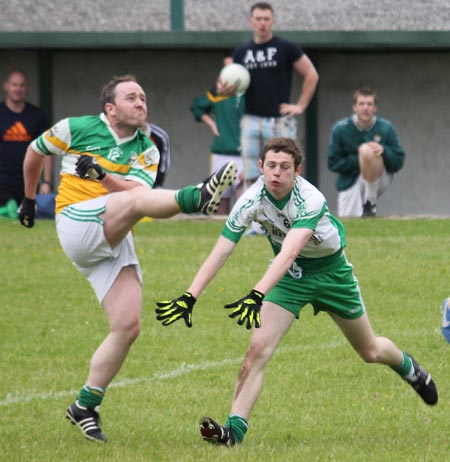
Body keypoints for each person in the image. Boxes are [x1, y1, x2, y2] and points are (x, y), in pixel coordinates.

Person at [155, 137, 438, 447]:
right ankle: (233, 433)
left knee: (369, 350)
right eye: (271, 166)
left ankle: (410, 369)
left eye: (285, 167)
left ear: (297, 171)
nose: (276, 173)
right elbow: (221, 250)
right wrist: (190, 295)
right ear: (260, 167)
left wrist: (256, 293)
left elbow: (288, 252)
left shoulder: (310, 199)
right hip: (290, 278)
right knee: (255, 351)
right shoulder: (250, 199)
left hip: (331, 274)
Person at [18, 74, 237, 443]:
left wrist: (103, 175)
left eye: (143, 97)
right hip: (76, 221)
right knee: (135, 203)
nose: (140, 103)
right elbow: (35, 151)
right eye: (131, 97)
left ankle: (85, 405)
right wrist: (27, 198)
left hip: (113, 237)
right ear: (110, 108)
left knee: (128, 325)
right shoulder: (76, 127)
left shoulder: (146, 147)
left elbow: (137, 193)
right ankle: (196, 198)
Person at [229, 2, 319, 190]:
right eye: (258, 19)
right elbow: (232, 84)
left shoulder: (286, 47)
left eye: (266, 19)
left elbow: (311, 74)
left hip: (279, 120)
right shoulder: (242, 52)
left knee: (286, 169)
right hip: (250, 119)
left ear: (273, 21)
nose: (262, 23)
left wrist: (300, 106)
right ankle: (254, 217)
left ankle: (290, 215)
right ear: (251, 21)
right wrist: (225, 87)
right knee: (251, 174)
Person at [328, 87, 405, 218]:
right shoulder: (341, 129)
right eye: (361, 104)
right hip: (350, 180)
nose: (366, 108)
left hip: (380, 177)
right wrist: (360, 159)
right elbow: (333, 163)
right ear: (354, 107)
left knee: (369, 150)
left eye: (370, 104)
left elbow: (398, 162)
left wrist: (384, 150)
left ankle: (370, 202)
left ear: (375, 108)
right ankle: (367, 208)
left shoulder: (386, 128)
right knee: (349, 225)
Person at [191, 59, 245, 214]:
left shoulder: (250, 95)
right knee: (220, 198)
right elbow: (197, 107)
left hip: (244, 155)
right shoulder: (218, 94)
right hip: (221, 153)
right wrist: (211, 123)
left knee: (244, 200)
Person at [0, 70, 51, 218]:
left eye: (22, 85)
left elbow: (46, 150)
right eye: (14, 85)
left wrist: (46, 181)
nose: (18, 89)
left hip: (29, 180)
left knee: (28, 214)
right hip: (2, 180)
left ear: (26, 88)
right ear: (6, 86)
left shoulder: (37, 115)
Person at [141, 120, 171, 188]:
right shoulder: (118, 133)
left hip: (151, 185)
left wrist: (156, 184)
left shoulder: (159, 136)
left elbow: (163, 167)